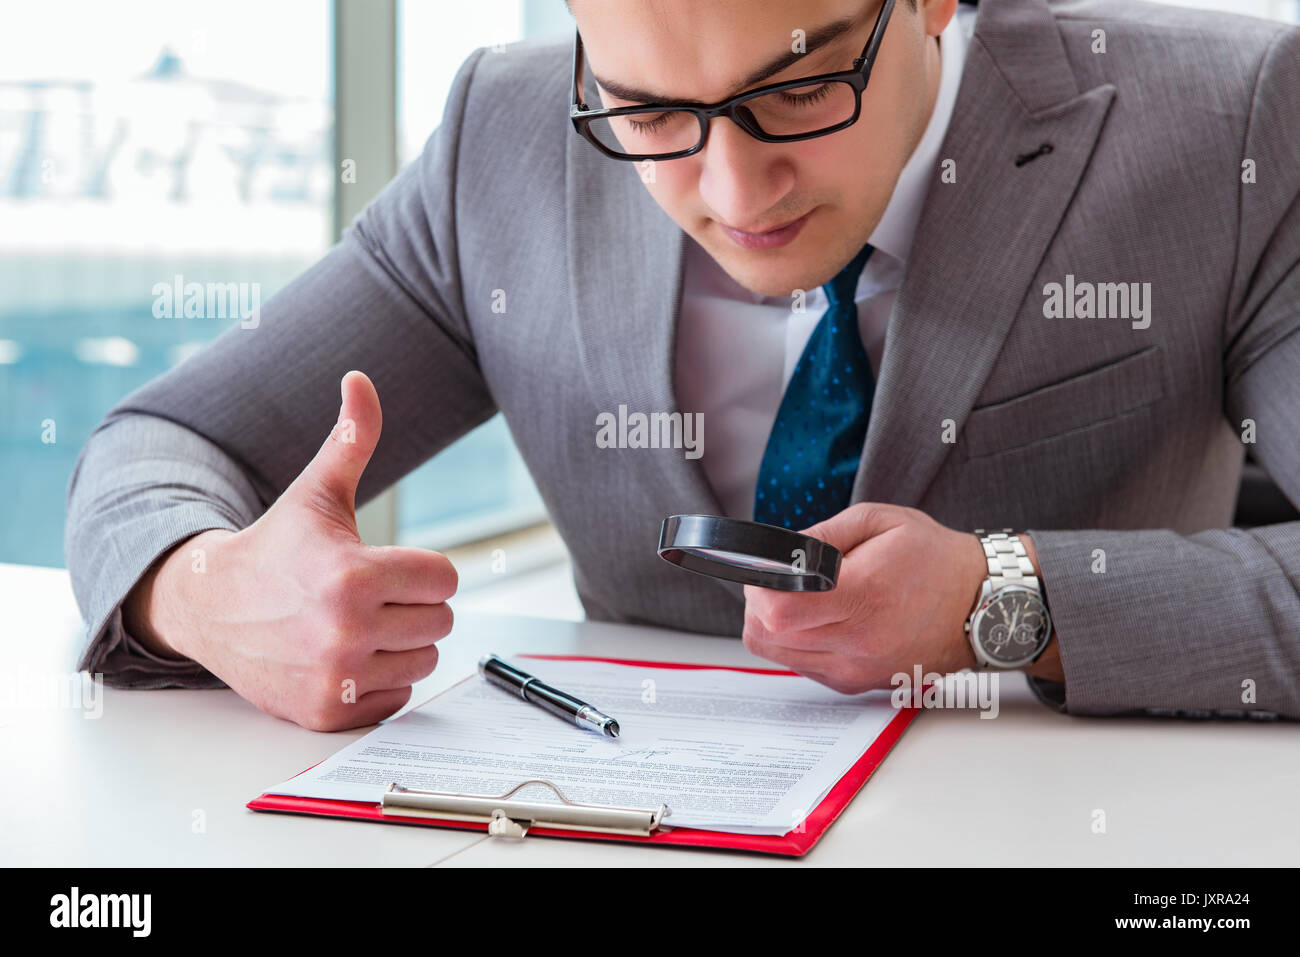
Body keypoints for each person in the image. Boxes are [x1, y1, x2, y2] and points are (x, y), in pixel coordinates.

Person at [65, 0, 1300, 730]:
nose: (731, 191)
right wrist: (205, 590)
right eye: (650, 115)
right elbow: (166, 445)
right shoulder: (505, 134)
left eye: (803, 86)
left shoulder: (1232, 120)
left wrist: (1001, 604)